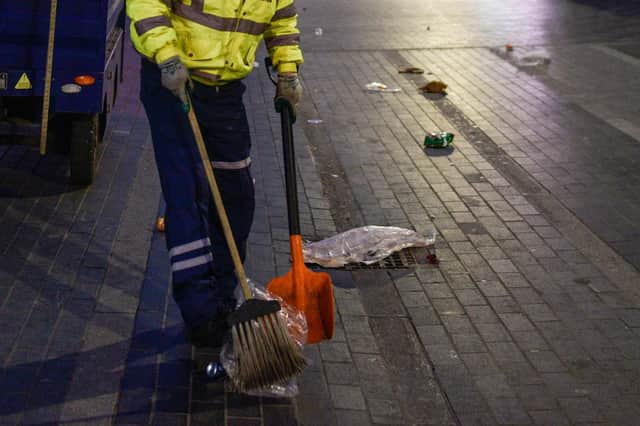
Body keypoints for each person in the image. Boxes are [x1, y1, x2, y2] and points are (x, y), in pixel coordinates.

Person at [126, 0, 303, 347]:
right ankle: (201, 314)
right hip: (174, 81)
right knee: (189, 195)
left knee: (236, 195)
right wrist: (166, 54)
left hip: (226, 91)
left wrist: (288, 70)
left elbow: (282, 18)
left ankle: (223, 296)